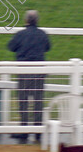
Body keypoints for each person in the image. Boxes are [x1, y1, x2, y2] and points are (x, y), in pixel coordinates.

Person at [7, 10, 50, 144]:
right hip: (39, 72)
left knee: (23, 102)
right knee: (38, 102)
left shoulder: (20, 34)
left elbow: (11, 47)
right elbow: (47, 47)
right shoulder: (42, 34)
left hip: (24, 72)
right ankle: (38, 132)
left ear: (26, 21)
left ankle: (24, 131)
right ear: (37, 21)